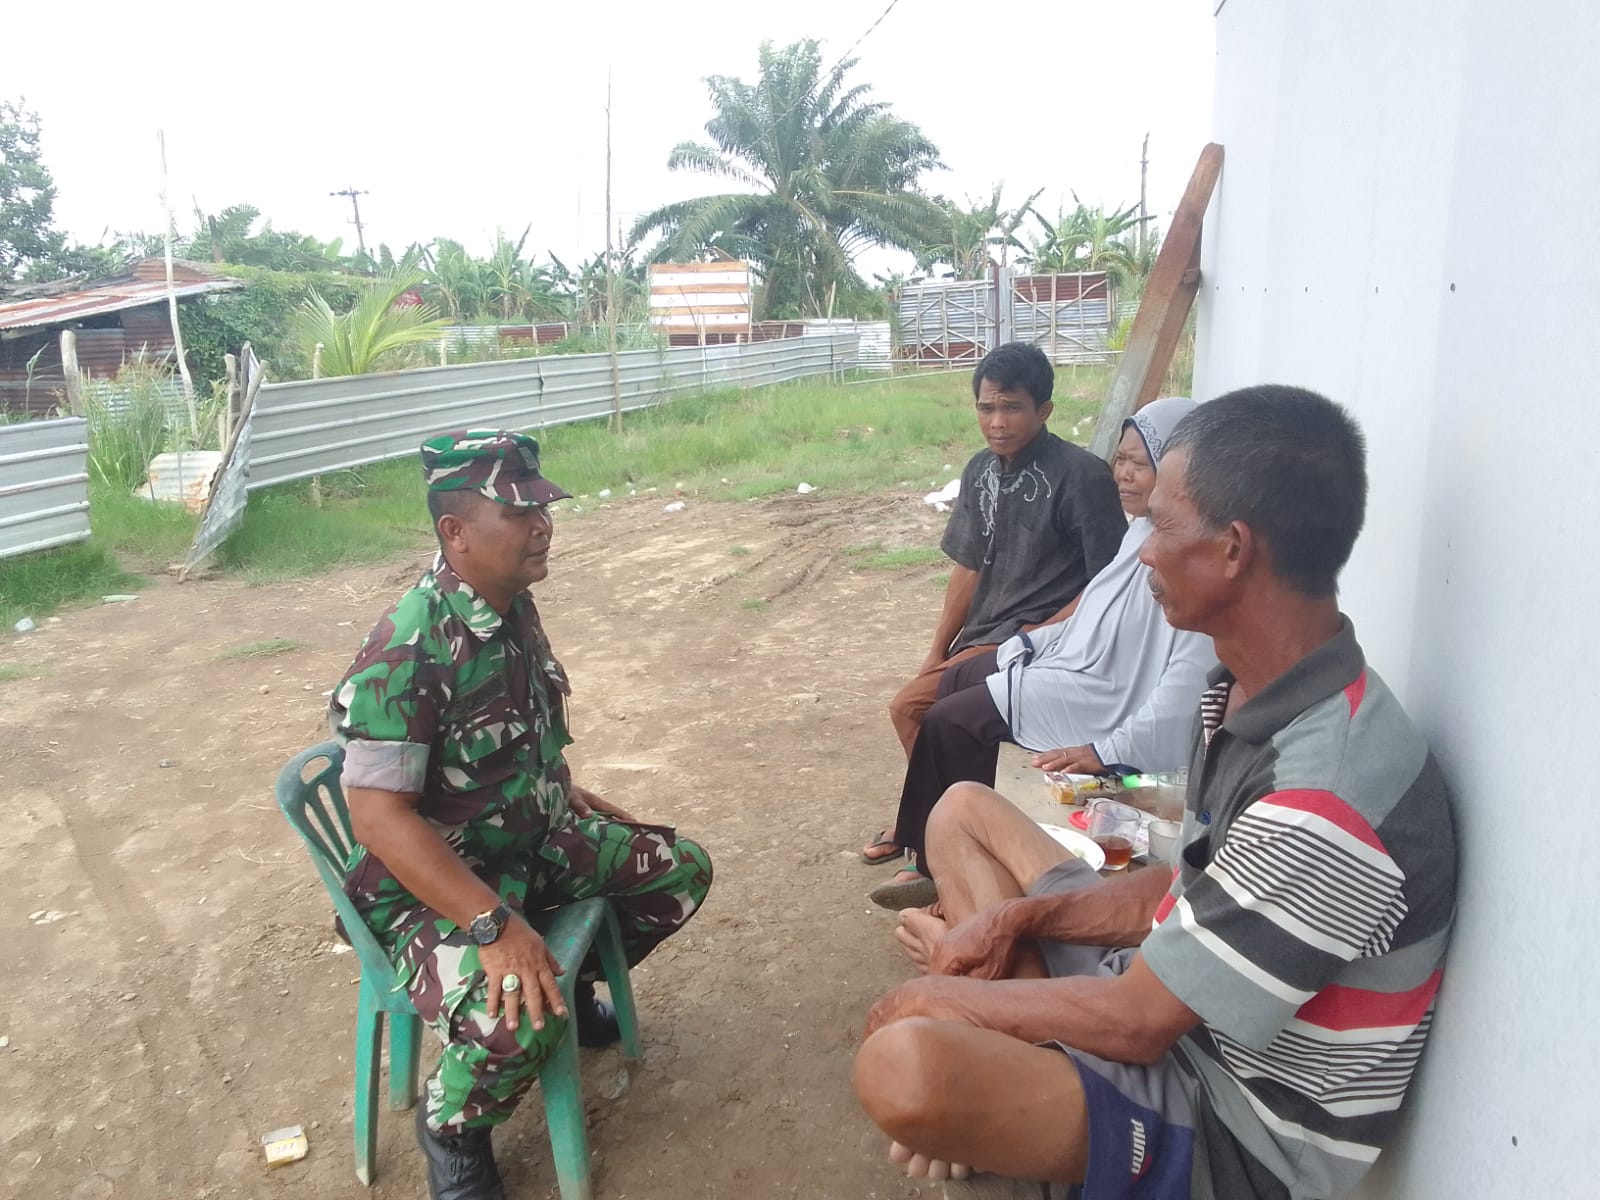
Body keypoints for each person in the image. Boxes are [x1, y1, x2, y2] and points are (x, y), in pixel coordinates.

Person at [853, 386, 1457, 1200]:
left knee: (906, 1066)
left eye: (1164, 526)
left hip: (1226, 1118)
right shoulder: (1244, 693)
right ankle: (1009, 1062)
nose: (1144, 554)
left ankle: (1003, 1077)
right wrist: (1008, 922)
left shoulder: (1324, 799)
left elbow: (1141, 1024)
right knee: (961, 810)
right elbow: (1181, 889)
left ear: (1233, 549)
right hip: (1162, 987)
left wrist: (936, 998)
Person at [328, 430, 713, 1200]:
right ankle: (453, 1129)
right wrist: (492, 925)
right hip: (431, 890)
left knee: (677, 872)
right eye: (518, 513)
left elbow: (520, 729)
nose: (543, 525)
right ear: (456, 532)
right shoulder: (409, 646)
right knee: (518, 1023)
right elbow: (378, 819)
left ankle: (566, 990)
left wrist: (557, 787)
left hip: (526, 839)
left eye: (542, 508)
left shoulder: (511, 608)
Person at [868, 397, 1217, 908]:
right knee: (953, 683)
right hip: (1073, 657)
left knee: (951, 720)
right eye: (1120, 459)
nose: (1122, 474)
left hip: (1104, 691)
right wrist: (1028, 643)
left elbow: (1182, 685)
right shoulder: (1142, 532)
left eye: (1139, 464)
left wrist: (1107, 750)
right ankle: (932, 844)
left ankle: (946, 860)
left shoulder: (1188, 553)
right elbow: (1093, 616)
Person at [867, 342, 1127, 867]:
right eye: (987, 408)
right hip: (984, 637)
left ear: (1044, 410)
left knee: (915, 709)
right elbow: (968, 566)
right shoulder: (979, 470)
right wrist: (937, 650)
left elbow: (1108, 581)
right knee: (918, 706)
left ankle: (939, 838)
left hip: (1043, 640)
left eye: (1012, 408)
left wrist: (1039, 636)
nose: (998, 422)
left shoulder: (1082, 475)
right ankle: (939, 824)